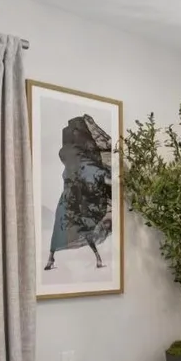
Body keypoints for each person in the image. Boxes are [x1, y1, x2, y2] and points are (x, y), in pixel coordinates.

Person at [44, 114, 113, 271]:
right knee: (79, 227)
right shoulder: (76, 154)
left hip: (69, 195)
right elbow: (88, 169)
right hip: (73, 195)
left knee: (66, 226)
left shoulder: (67, 153)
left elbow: (82, 169)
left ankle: (51, 259)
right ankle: (97, 259)